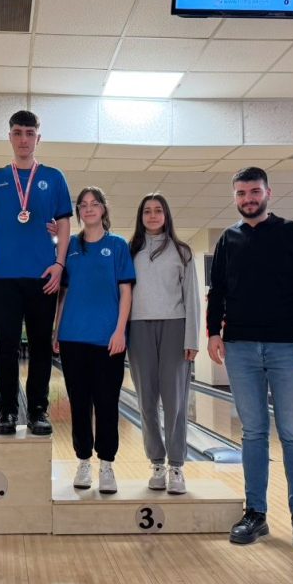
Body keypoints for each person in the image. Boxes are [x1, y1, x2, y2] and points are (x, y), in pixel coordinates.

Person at [206, 167, 293, 550]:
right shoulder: (228, 239)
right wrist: (212, 332)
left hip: (286, 346)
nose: (247, 199)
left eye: (254, 192)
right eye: (241, 193)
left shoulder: (292, 233)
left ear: (268, 193)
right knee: (253, 432)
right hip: (240, 347)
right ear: (235, 197)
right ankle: (255, 513)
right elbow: (218, 291)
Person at [0, 110, 72, 435]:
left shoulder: (54, 177)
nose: (24, 139)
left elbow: (64, 223)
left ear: (38, 137)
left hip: (42, 276)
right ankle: (6, 410)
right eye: (18, 133)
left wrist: (60, 264)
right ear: (10, 137)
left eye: (29, 133)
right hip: (2, 277)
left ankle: (37, 409)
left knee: (39, 346)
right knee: (6, 345)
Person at [54, 187, 135, 493]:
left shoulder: (117, 246)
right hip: (73, 337)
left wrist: (119, 331)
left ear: (103, 209)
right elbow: (62, 294)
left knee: (107, 404)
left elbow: (126, 291)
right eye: (83, 205)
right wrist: (56, 330)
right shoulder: (70, 246)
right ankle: (84, 461)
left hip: (107, 339)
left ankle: (107, 465)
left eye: (94, 204)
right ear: (78, 212)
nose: (88, 209)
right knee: (79, 404)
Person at [127, 193, 200, 495]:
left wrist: (192, 338)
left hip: (175, 327)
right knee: (146, 402)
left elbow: (193, 298)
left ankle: (177, 466)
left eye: (158, 211)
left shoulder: (182, 252)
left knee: (175, 403)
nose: (153, 215)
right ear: (140, 216)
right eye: (147, 211)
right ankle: (156, 462)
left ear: (167, 215)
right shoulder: (130, 251)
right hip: (138, 327)